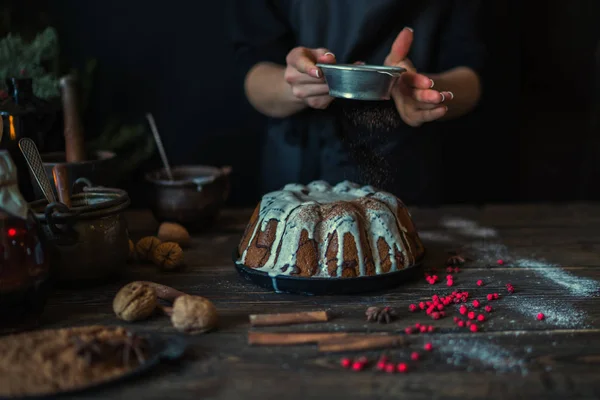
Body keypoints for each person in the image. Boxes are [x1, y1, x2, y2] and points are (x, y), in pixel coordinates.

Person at [229, 0, 484, 205]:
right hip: (297, 169)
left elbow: (472, 76)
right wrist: (298, 84)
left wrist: (426, 90)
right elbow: (254, 73)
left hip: (405, 170)